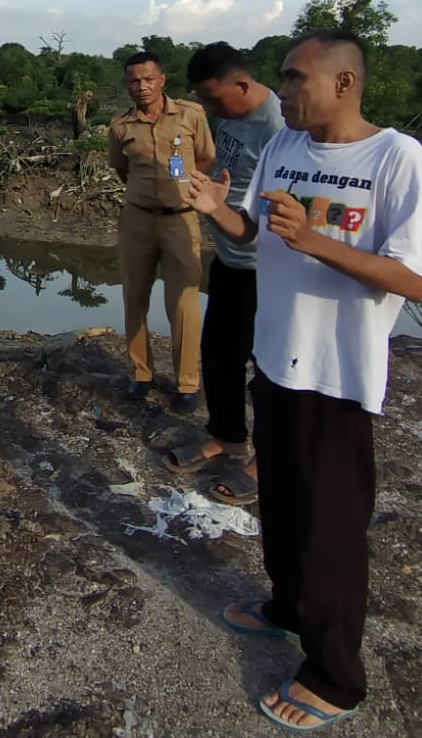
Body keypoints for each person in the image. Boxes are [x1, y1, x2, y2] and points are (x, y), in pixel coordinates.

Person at [183, 30, 422, 730]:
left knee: (332, 529)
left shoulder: (395, 158)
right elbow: (255, 233)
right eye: (284, 80)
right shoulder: (283, 148)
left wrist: (316, 241)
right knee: (286, 506)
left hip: (339, 374)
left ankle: (335, 676)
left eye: (297, 79)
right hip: (275, 359)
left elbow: (415, 279)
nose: (286, 91)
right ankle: (287, 607)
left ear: (345, 83)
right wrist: (219, 213)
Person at [166, 42, 285, 501]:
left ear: (243, 83)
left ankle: (265, 460)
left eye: (215, 99)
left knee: (269, 366)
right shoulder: (229, 115)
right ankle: (229, 436)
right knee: (218, 351)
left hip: (267, 265)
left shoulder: (280, 127)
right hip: (232, 255)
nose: (211, 109)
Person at [107, 51, 215, 412]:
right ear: (127, 85)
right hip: (137, 219)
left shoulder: (191, 115)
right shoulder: (121, 126)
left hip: (181, 218)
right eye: (134, 81)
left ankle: (187, 383)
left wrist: (182, 189)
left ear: (162, 80)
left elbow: (204, 158)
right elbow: (122, 170)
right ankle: (140, 374)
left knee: (184, 302)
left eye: (148, 79)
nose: (142, 87)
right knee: (135, 297)